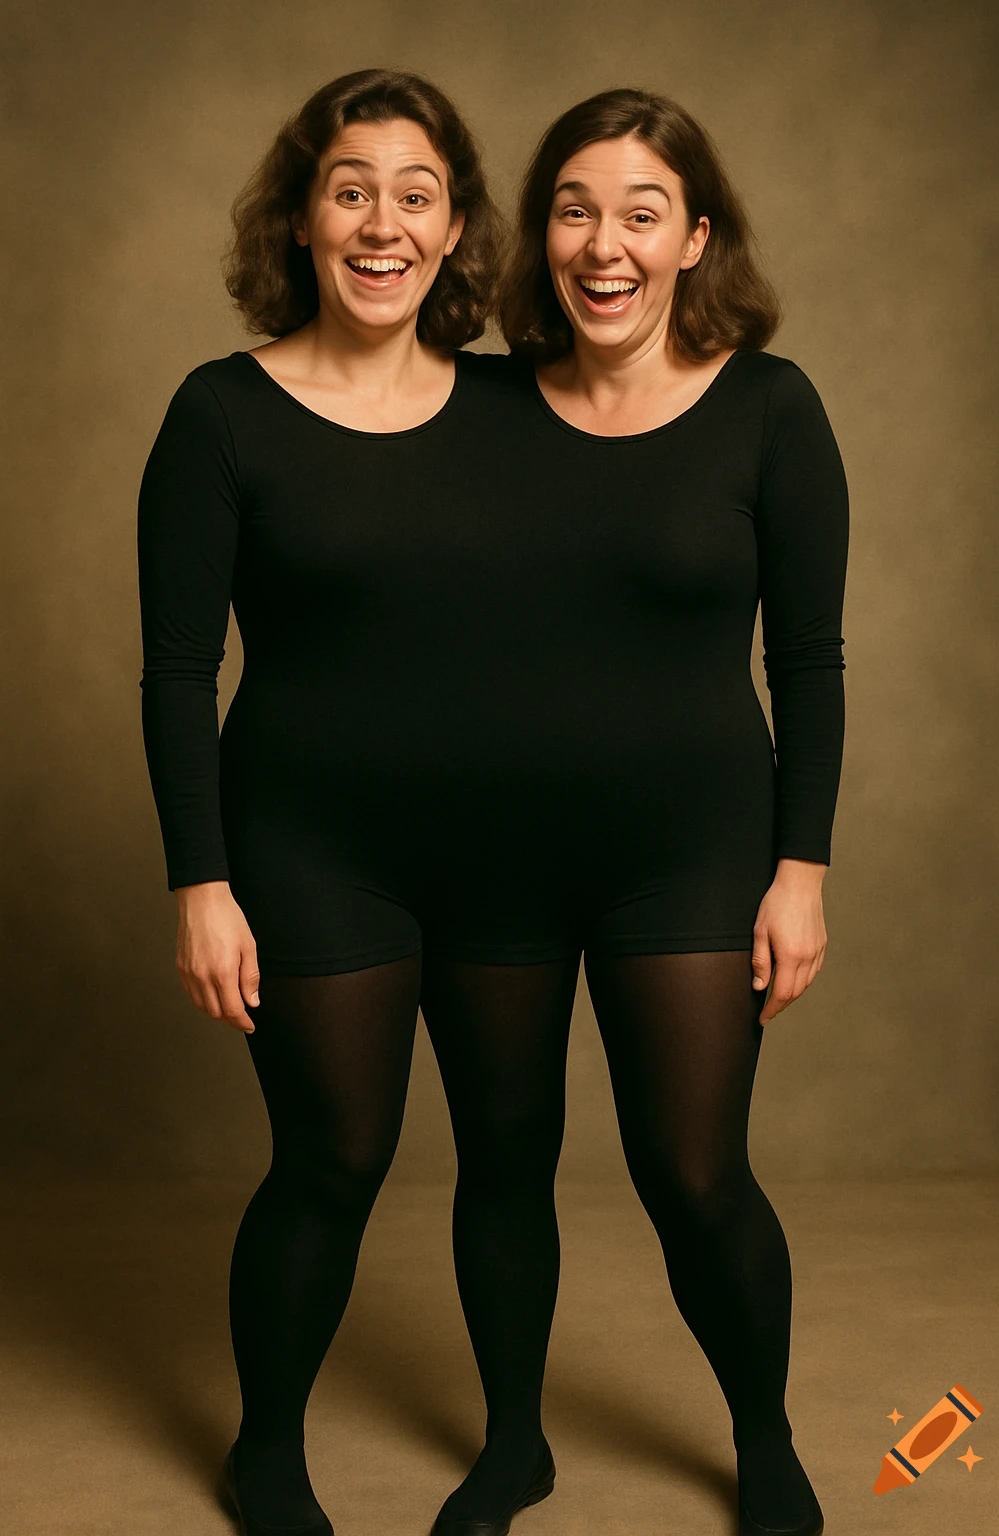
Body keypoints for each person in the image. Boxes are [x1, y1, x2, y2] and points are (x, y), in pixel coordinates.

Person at [420, 89, 849, 1536]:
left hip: (692, 854)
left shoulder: (771, 408)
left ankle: (763, 1438)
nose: (604, 245)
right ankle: (513, 1447)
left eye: (641, 215)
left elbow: (809, 661)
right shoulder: (471, 405)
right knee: (502, 1158)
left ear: (696, 237)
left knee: (694, 1169)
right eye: (574, 209)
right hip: (490, 855)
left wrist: (800, 872)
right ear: (540, 233)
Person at [136, 67, 508, 1536]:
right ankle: (267, 1447)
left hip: (503, 856)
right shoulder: (220, 414)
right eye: (351, 190)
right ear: (300, 217)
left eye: (416, 195)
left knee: (508, 1157)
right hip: (305, 850)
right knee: (336, 1157)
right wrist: (200, 882)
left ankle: (517, 1446)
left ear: (456, 228)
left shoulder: (512, 409)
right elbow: (180, 671)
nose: (382, 223)